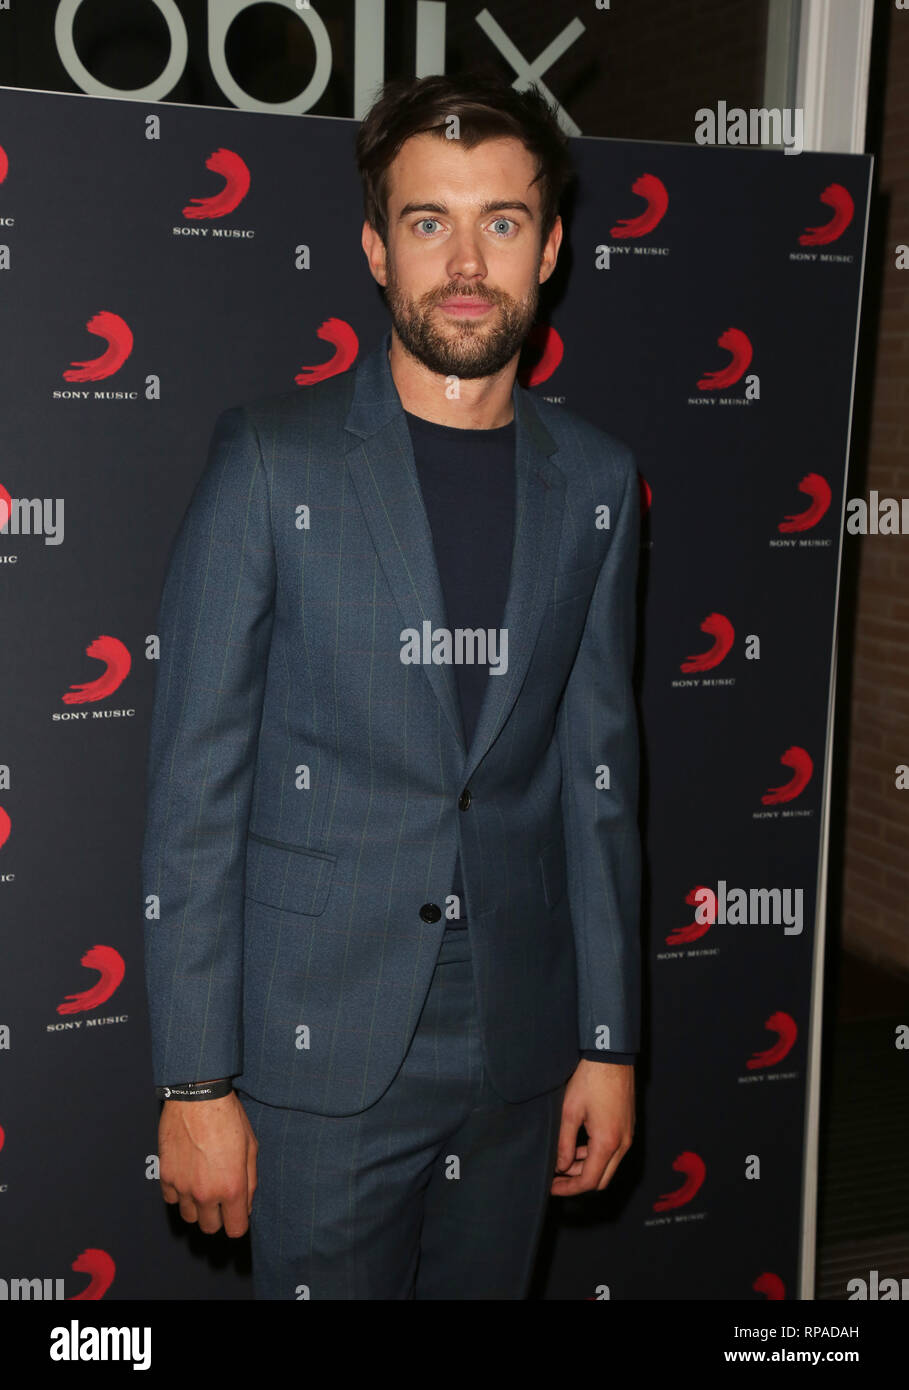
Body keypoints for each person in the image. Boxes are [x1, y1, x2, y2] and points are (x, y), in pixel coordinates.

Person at [142, 70, 642, 1300]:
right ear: (376, 248)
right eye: (429, 222)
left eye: (502, 222)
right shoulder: (271, 460)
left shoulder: (597, 479)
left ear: (551, 247)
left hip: (523, 1046)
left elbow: (600, 781)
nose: (466, 262)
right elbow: (194, 793)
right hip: (319, 1052)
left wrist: (609, 1040)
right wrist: (196, 1082)